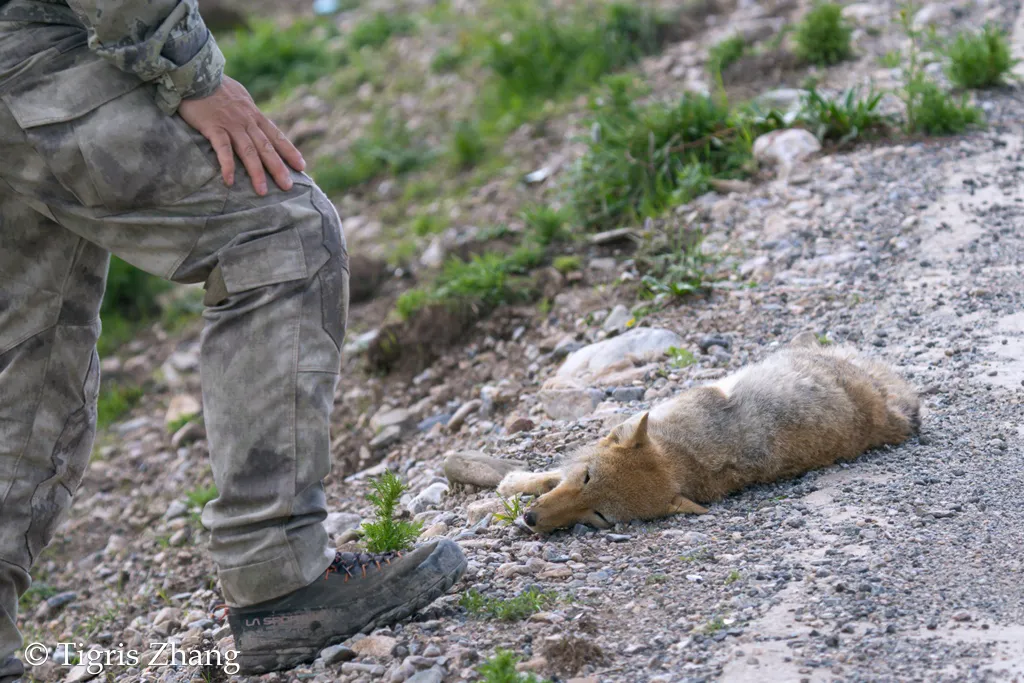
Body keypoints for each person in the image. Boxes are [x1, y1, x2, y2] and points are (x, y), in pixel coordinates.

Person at [0, 0, 467, 678]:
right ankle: (276, 572)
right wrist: (192, 72)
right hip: (30, 55)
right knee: (279, 232)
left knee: (30, 349)